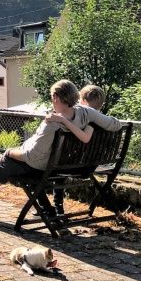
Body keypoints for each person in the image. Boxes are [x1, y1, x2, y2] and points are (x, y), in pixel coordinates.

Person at [0, 80, 122, 217]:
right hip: (61, 164)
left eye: (51, 97)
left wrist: (10, 152)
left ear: (56, 97)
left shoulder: (52, 123)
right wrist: (93, 126)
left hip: (38, 165)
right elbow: (116, 125)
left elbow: (33, 156)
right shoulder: (87, 113)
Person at [46, 84, 107, 216]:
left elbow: (85, 138)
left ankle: (56, 209)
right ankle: (55, 208)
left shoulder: (89, 122)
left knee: (47, 171)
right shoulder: (102, 121)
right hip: (91, 164)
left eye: (79, 100)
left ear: (83, 101)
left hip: (78, 165)